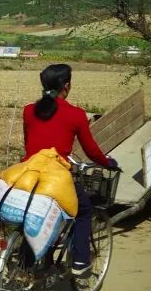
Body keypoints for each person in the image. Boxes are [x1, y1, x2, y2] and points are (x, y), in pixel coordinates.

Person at [22, 63, 117, 275]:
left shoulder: (28, 111)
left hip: (28, 175)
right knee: (83, 210)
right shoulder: (76, 114)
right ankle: (80, 262)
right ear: (66, 86)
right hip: (56, 179)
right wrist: (108, 162)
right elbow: (91, 151)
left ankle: (31, 259)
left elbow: (28, 144)